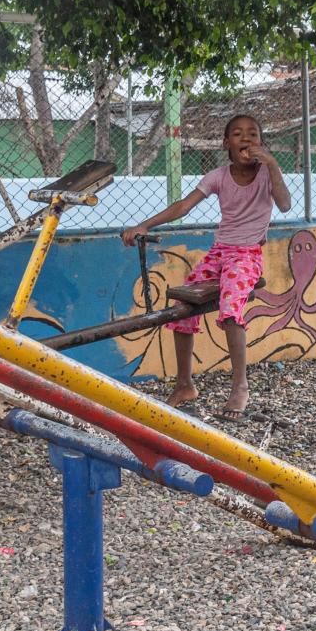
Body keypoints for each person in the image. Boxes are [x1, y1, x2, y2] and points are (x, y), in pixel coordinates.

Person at [122, 114, 291, 416]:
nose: (246, 139)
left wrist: (274, 164)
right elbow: (183, 206)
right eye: (238, 134)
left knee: (230, 308)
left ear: (261, 143)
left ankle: (240, 386)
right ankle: (184, 383)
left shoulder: (267, 174)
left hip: (247, 254)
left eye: (253, 134)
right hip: (219, 253)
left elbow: (285, 204)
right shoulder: (217, 176)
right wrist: (144, 224)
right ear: (227, 143)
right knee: (183, 303)